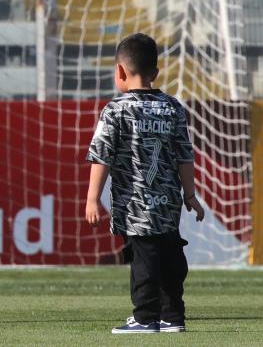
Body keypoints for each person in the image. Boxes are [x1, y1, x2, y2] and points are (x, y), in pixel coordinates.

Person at [85, 33, 205, 334]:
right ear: (156, 72)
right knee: (170, 258)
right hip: (168, 203)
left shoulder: (116, 110)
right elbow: (184, 155)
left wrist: (92, 198)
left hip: (135, 205)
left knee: (144, 261)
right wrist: (189, 194)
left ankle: (144, 317)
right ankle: (173, 316)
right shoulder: (173, 108)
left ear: (120, 72)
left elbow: (102, 156)